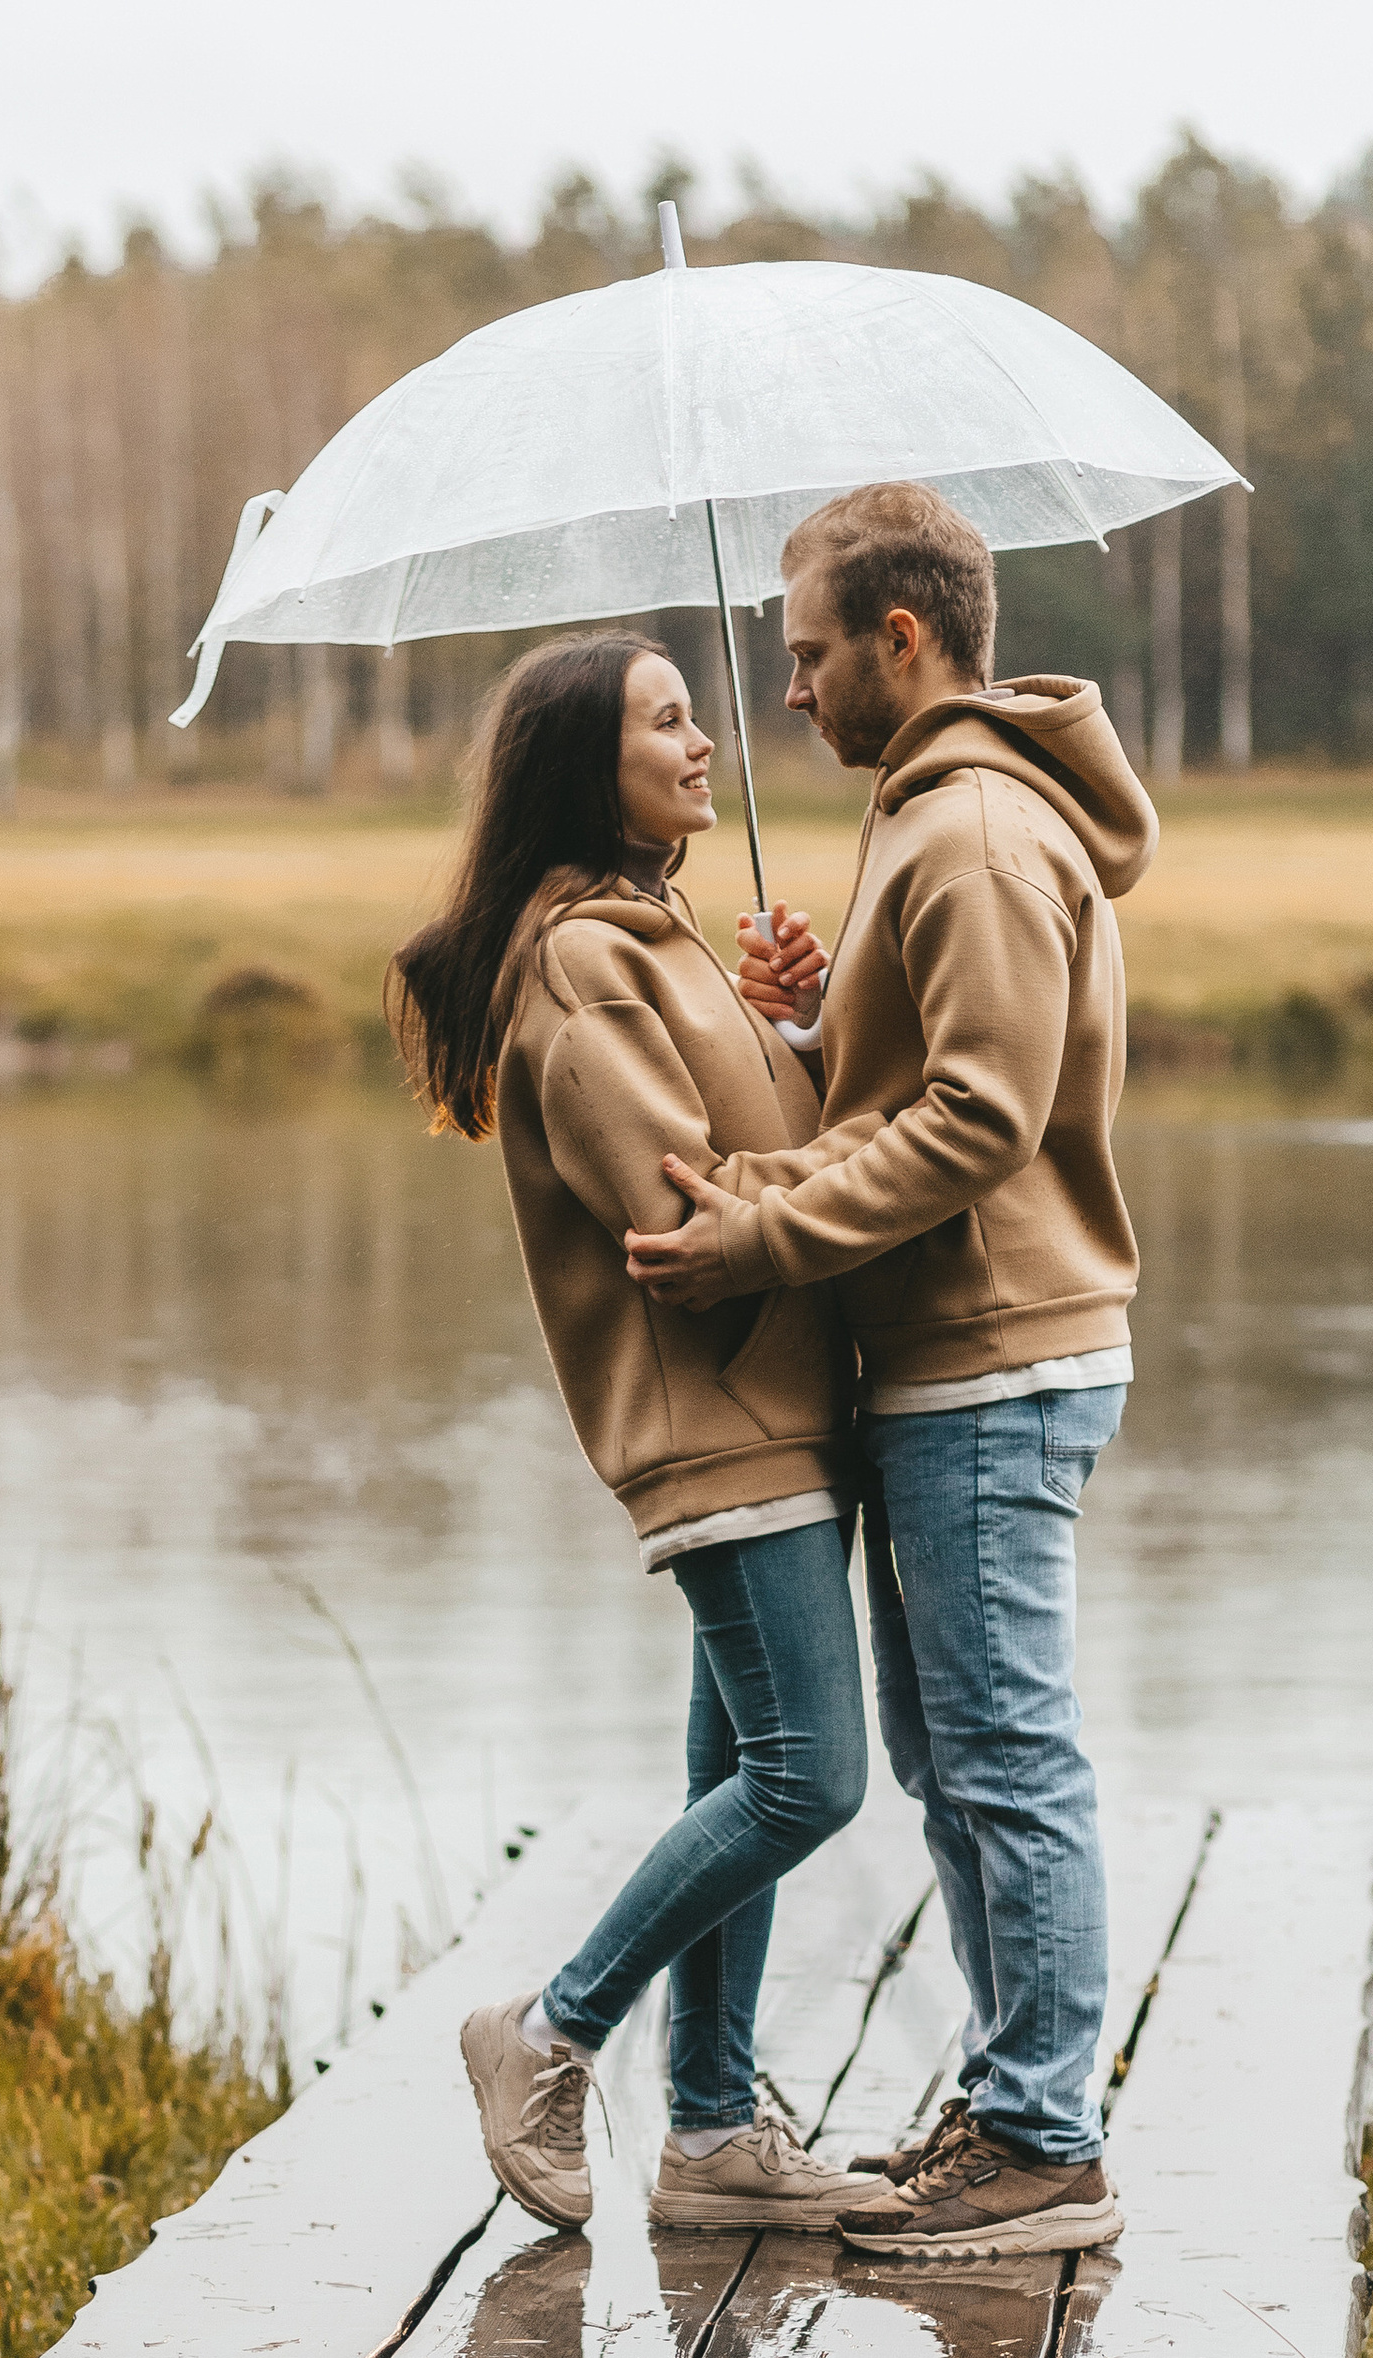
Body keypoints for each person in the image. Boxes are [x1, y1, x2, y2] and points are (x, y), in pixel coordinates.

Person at [628, 483, 1150, 2269]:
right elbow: (927, 1060)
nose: (789, 693)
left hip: (989, 1362)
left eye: (807, 655)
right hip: (956, 1359)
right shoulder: (932, 824)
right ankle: (1021, 2111)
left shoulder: (975, 831)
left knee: (1002, 1758)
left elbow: (984, 1118)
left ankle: (1046, 2147)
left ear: (899, 643)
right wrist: (826, 1005)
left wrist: (763, 1229)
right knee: (956, 1756)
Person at [388, 632, 898, 2238]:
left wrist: (794, 1038)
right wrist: (899, 1171)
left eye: (695, 717)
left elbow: (750, 1136)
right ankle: (547, 2036)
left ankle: (713, 2130)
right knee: (812, 1778)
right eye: (664, 722)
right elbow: (674, 1207)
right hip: (720, 1416)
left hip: (779, 1408)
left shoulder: (648, 932)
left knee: (744, 1769)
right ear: (581, 770)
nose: (701, 743)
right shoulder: (576, 961)